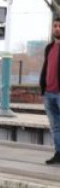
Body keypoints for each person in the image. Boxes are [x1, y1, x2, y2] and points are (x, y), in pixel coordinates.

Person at [40, 16, 60, 165]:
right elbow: (46, 68)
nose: (57, 28)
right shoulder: (49, 47)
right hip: (49, 92)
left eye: (59, 26)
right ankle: (58, 153)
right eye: (55, 26)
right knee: (55, 126)